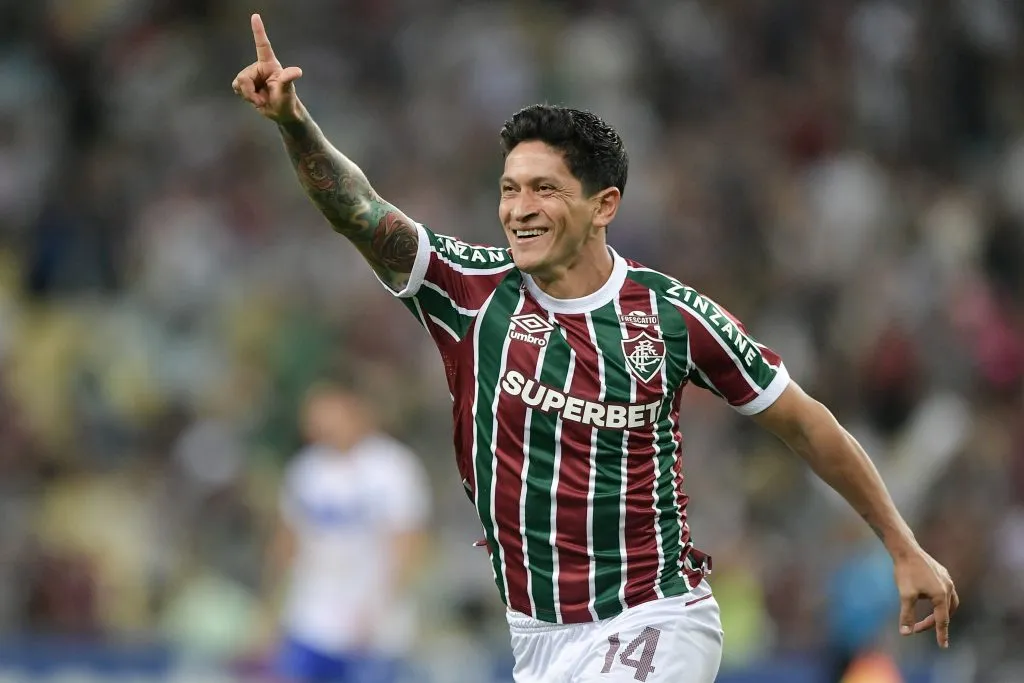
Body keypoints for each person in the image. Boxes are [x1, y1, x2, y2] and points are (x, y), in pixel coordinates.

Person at [233, 13, 958, 682]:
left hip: (655, 613)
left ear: (603, 204)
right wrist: (293, 122)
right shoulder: (469, 291)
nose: (519, 208)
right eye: (510, 188)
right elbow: (359, 211)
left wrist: (901, 543)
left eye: (544, 188)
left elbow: (803, 420)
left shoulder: (672, 316)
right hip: (539, 637)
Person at [266, 380, 430, 682]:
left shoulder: (392, 467)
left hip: (374, 625)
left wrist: (379, 607)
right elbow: (287, 542)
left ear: (354, 410)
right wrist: (272, 608)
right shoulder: (304, 471)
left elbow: (409, 545)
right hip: (311, 617)